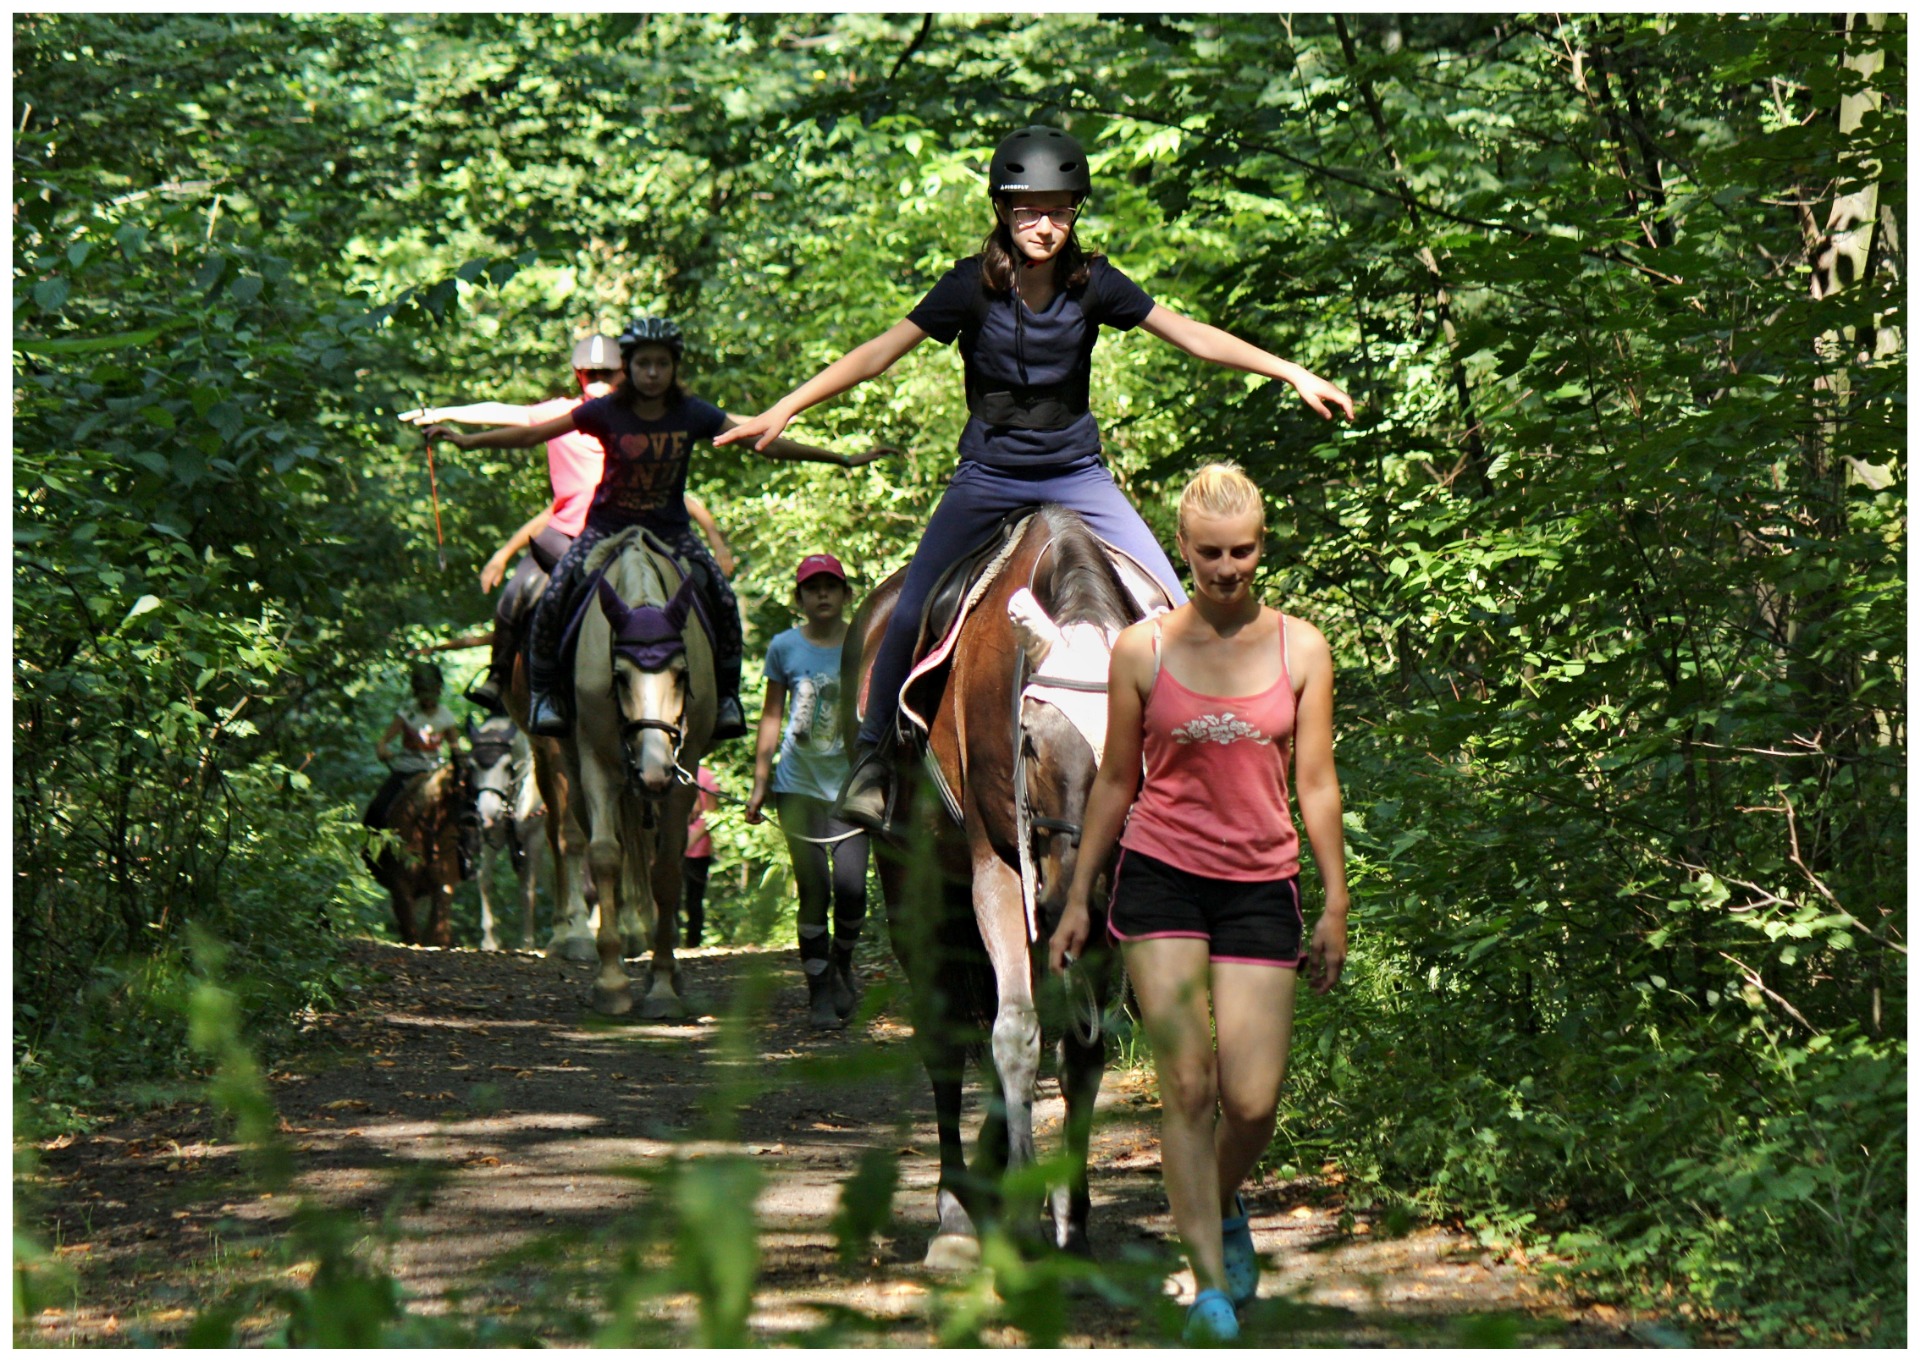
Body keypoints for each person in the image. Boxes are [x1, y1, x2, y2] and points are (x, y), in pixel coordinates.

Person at [716, 125, 1354, 829]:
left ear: (1075, 212)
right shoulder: (968, 287)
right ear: (1001, 211)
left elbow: (1190, 334)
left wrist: (1288, 368)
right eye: (1027, 210)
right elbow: (878, 353)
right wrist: (785, 407)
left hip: (1077, 473)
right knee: (908, 606)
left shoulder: (1096, 284)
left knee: (1174, 603)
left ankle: (1200, 756)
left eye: (1058, 210)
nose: (1043, 225)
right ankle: (873, 761)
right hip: (987, 477)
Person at [1046, 463, 1350, 1344]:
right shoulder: (1142, 649)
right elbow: (1112, 781)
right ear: (1183, 549)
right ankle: (1208, 1286)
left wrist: (1334, 900)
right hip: (1161, 876)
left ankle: (1215, 1203)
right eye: (1210, 553)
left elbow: (1319, 784)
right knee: (1187, 1085)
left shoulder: (1303, 648)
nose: (1227, 569)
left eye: (1243, 551)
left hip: (1261, 881)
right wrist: (1073, 899)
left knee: (1251, 1101)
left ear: (1263, 546)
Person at [423, 317, 893, 739]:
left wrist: (840, 457)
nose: (652, 373)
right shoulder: (604, 413)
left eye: (661, 364)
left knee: (721, 597)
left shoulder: (692, 414)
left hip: (668, 530)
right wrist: (467, 442)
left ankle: (727, 696)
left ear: (673, 367)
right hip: (606, 528)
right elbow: (529, 433)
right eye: (643, 363)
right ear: (631, 367)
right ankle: (544, 692)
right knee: (555, 592)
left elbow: (759, 442)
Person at [399, 336, 738, 713]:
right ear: (578, 375)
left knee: (698, 591)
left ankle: (709, 689)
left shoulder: (637, 419)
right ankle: (500, 677)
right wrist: (444, 413)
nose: (597, 381)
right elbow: (509, 415)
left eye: (606, 374)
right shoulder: (561, 414)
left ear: (623, 374)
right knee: (517, 592)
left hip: (632, 529)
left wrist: (717, 543)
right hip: (568, 534)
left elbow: (684, 495)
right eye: (590, 374)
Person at [743, 553, 870, 1030]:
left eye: (830, 587)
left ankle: (842, 964)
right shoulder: (784, 647)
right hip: (796, 786)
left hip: (852, 788)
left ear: (845, 595)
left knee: (853, 888)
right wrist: (759, 784)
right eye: (812, 588)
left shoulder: (862, 643)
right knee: (814, 889)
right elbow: (772, 716)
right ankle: (818, 992)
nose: (822, 595)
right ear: (799, 599)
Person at [365, 661, 466, 832]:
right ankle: (371, 853)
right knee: (376, 810)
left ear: (438, 690)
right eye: (423, 694)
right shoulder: (407, 712)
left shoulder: (445, 716)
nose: (427, 699)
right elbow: (384, 740)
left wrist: (461, 760)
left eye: (431, 693)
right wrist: (382, 749)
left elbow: (455, 746)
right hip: (406, 771)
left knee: (464, 810)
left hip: (435, 771)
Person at [682, 762, 722, 947]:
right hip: (673, 847)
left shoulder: (707, 777)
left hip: (698, 850)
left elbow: (711, 815)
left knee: (694, 898)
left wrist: (688, 843)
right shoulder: (671, 772)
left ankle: (693, 942)